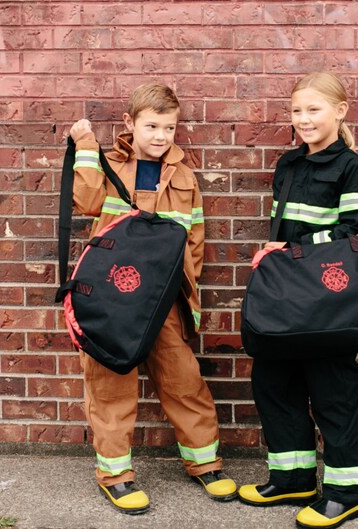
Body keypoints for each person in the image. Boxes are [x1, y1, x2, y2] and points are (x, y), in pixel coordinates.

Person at [68, 83, 237, 514]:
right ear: (129, 124)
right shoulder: (107, 165)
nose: (161, 135)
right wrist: (86, 145)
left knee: (184, 380)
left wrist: (185, 299)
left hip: (161, 300)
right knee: (110, 388)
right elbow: (86, 201)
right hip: (110, 299)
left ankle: (205, 464)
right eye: (152, 126)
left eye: (169, 127)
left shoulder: (183, 176)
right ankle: (116, 476)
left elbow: (194, 242)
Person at [237, 72, 358, 529]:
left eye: (314, 109)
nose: (304, 119)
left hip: (328, 302)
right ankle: (293, 478)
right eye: (297, 111)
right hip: (286, 301)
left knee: (333, 394)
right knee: (273, 384)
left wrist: (294, 251)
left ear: (340, 111)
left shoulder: (353, 168)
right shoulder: (288, 164)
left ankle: (345, 493)